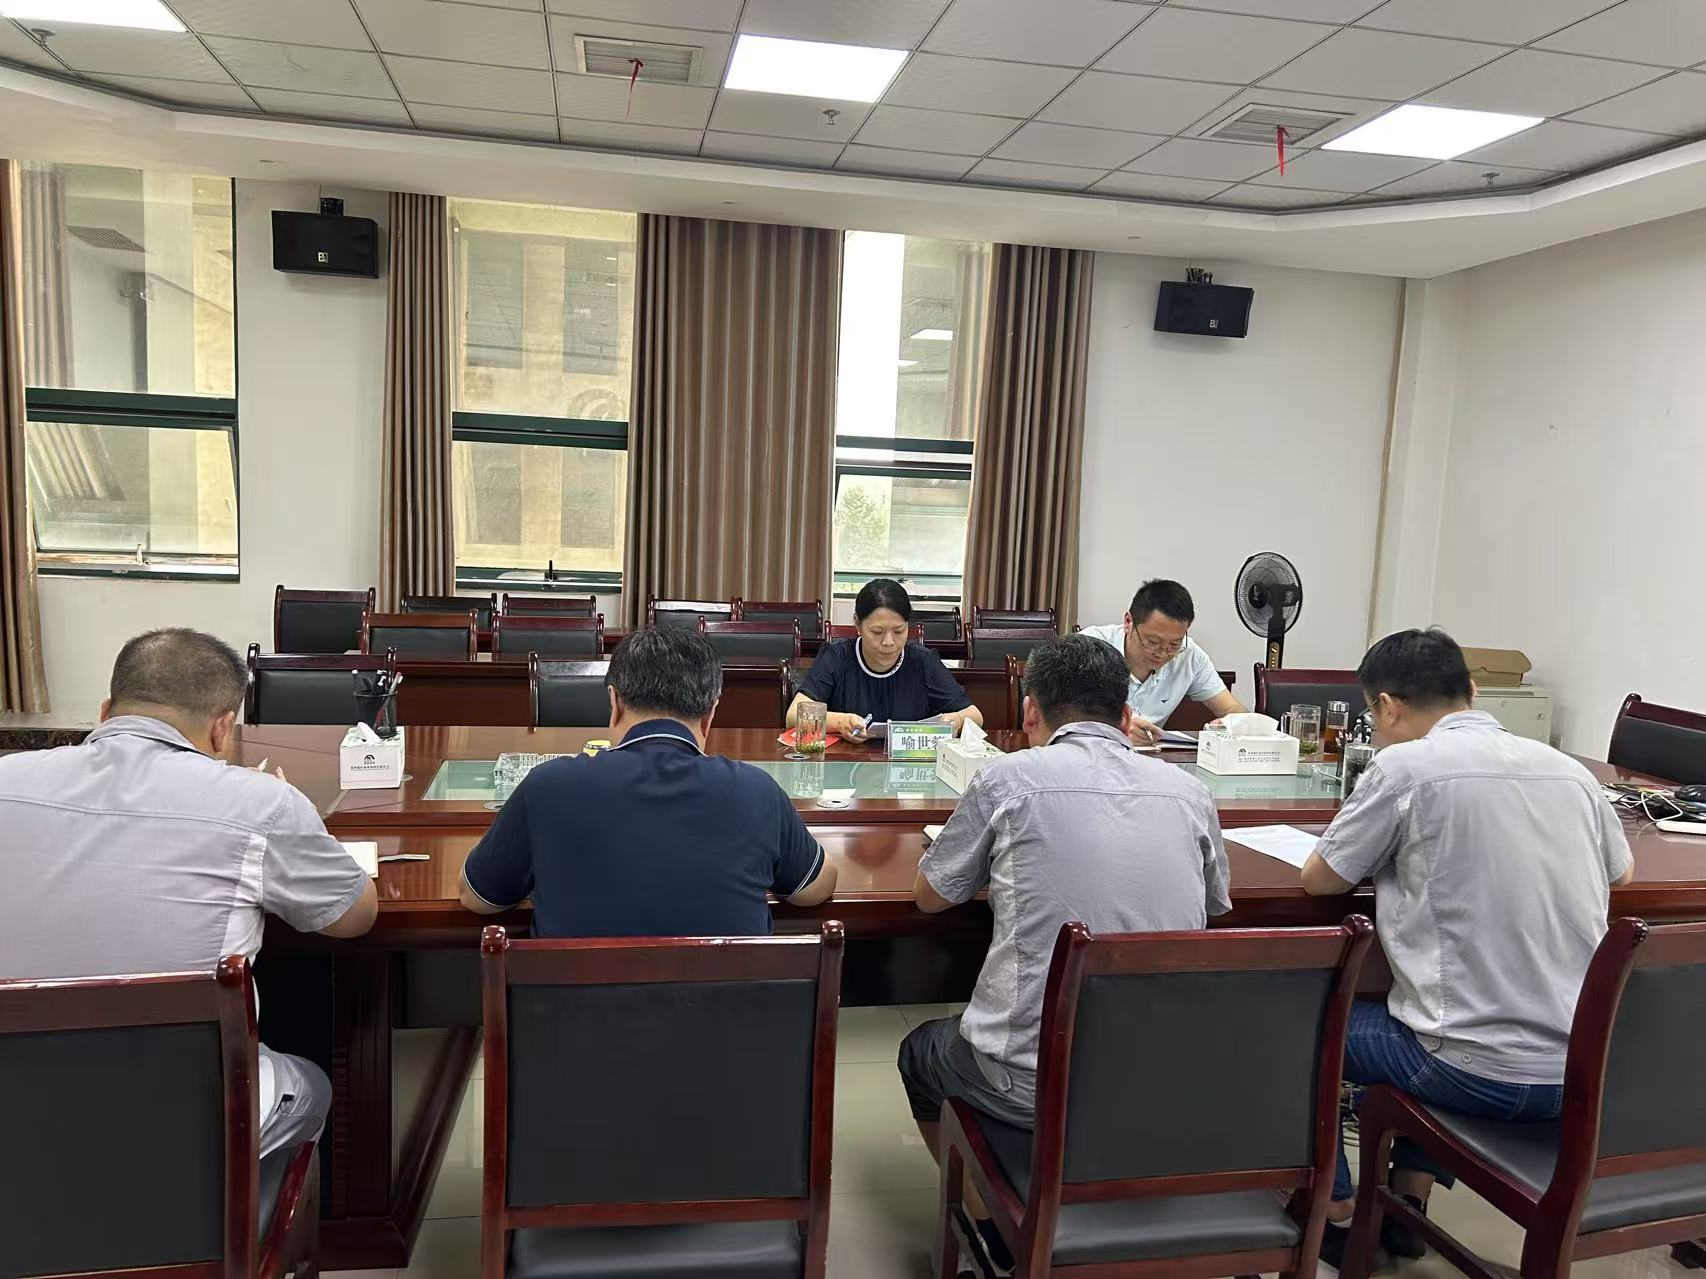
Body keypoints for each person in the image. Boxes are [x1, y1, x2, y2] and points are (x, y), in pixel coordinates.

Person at [1300, 628, 1634, 1263]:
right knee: (1431, 1011)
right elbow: (1623, 875)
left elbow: (1321, 881)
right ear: (1473, 691)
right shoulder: (1569, 771)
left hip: (1470, 1072)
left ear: (1387, 706)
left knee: (1301, 1027)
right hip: (1582, 1071)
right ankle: (1408, 1203)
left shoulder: (1404, 767)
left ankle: (1337, 1212)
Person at [898, 633, 1231, 1267]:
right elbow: (1215, 906)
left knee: (921, 1054)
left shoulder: (1008, 777)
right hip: (1164, 1076)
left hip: (1031, 1081)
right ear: (1126, 715)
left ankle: (993, 1224)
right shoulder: (1189, 792)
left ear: (1031, 712)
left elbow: (929, 897)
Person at [0, 628, 377, 1158]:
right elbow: (354, 916)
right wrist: (295, 820)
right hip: (177, 1121)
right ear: (223, 728)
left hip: (16, 1114)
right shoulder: (261, 802)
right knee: (310, 1084)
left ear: (105, 712)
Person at [461, 626, 837, 935]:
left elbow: (478, 897)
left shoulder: (547, 786)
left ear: (614, 703)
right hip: (729, 1007)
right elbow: (815, 888)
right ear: (711, 713)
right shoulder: (757, 790)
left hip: (578, 1007)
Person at [787, 578, 983, 741]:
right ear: (857, 624)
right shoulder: (837, 656)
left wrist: (956, 720)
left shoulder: (923, 662)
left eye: (899, 631)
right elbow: (793, 716)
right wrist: (840, 722)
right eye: (877, 632)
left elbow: (976, 716)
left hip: (909, 770)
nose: (889, 642)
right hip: (849, 766)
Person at [1080, 578, 1244, 746]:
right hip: (1090, 753)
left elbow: (1234, 709)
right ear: (1128, 622)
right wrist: (1116, 729)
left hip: (1149, 757)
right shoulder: (1090, 646)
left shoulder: (1189, 655)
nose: (1163, 653)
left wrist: (1229, 724)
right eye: (1152, 642)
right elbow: (1063, 715)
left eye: (1174, 644)